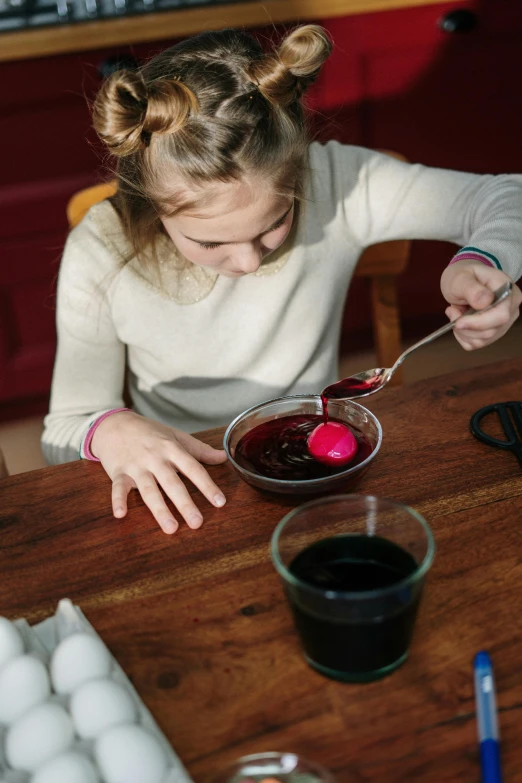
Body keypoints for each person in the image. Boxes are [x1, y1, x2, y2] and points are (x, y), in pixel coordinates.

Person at [42, 25, 522, 534]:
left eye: (274, 225)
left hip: (314, 475)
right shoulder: (102, 248)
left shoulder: (338, 182)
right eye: (209, 243)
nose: (248, 264)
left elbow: (508, 197)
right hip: (189, 480)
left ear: (297, 171)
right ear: (154, 208)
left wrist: (482, 259)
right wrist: (108, 430)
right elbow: (61, 434)